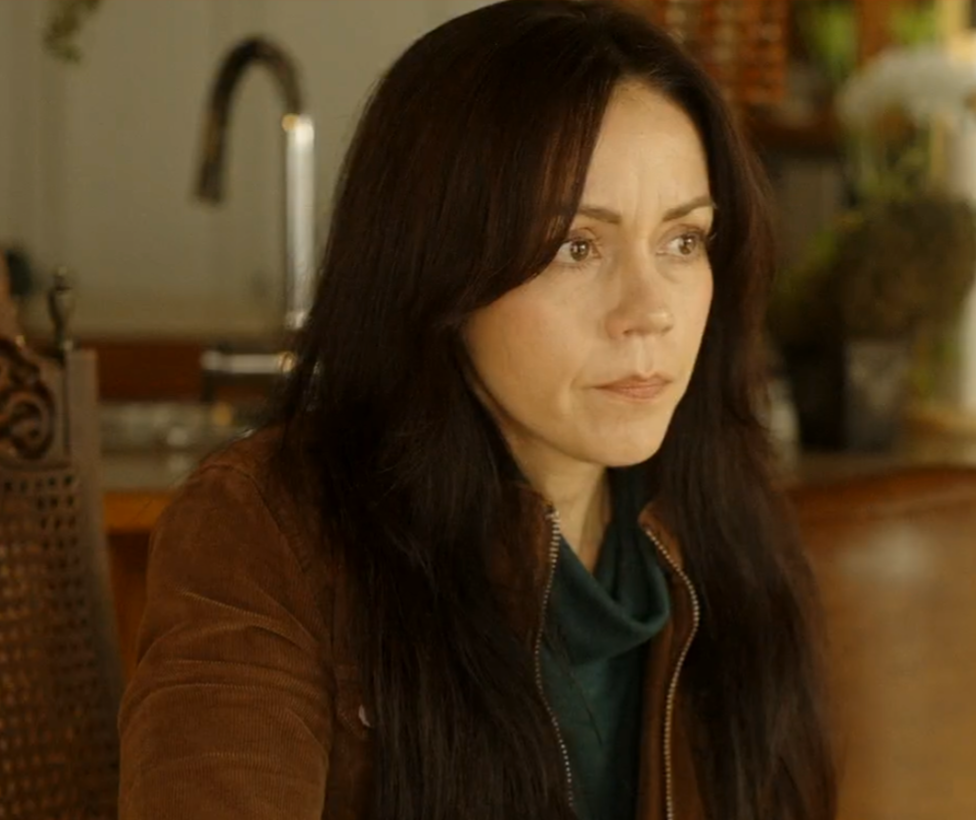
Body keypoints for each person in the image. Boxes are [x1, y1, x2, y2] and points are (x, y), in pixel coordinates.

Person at [117, 1, 837, 818]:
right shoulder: (270, 532)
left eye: (683, 241)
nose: (651, 310)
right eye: (576, 245)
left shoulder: (725, 520)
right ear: (441, 268)